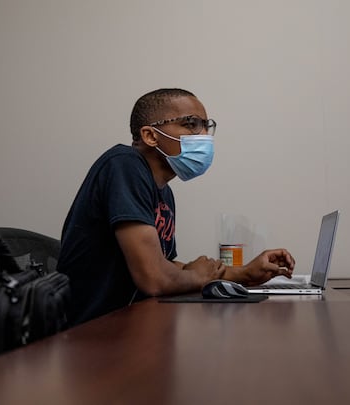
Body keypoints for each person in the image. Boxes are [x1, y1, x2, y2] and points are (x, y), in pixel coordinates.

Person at [58, 88, 295, 326]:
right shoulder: (124, 165)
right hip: (92, 338)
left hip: (133, 327)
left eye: (206, 126)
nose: (203, 135)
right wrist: (197, 277)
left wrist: (244, 273)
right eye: (191, 124)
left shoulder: (163, 192)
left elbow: (165, 264)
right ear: (151, 135)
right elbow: (155, 278)